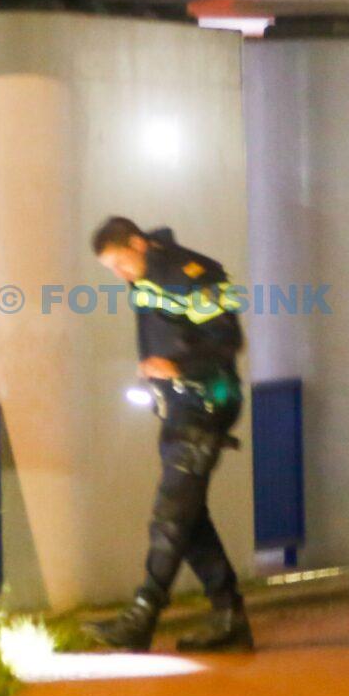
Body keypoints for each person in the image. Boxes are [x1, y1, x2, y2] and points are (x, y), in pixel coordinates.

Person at [83, 216, 253, 654]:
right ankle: (229, 616)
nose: (120, 275)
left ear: (139, 244)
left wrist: (178, 366)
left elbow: (228, 338)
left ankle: (142, 616)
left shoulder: (195, 275)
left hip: (208, 401)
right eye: (112, 269)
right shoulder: (145, 276)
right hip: (178, 405)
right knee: (189, 517)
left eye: (121, 262)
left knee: (170, 516)